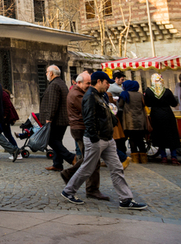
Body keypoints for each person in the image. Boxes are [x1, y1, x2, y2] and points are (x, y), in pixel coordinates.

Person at [61, 71, 147, 209]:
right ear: (100, 81)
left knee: (117, 167)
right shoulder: (89, 96)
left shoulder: (100, 96)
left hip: (107, 138)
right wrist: (94, 137)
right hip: (97, 139)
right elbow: (88, 119)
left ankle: (125, 199)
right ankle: (68, 191)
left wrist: (112, 120)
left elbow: (106, 113)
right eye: (107, 82)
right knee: (87, 168)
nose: (108, 85)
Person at [59, 72, 109, 201]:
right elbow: (89, 111)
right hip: (80, 128)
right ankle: (90, 188)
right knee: (92, 159)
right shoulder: (78, 94)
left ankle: (73, 176)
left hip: (81, 128)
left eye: (90, 83)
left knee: (91, 158)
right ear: (78, 83)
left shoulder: (81, 93)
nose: (89, 85)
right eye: (87, 83)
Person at [40, 65, 74, 172]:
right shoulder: (61, 83)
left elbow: (52, 103)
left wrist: (49, 118)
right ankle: (57, 164)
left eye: (46, 72)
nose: (46, 74)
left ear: (51, 73)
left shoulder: (54, 85)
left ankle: (71, 157)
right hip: (61, 119)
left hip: (56, 120)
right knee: (57, 141)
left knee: (52, 140)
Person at [144, 73, 180, 165]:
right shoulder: (167, 91)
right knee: (171, 135)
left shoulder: (148, 91)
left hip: (156, 115)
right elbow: (173, 103)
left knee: (160, 135)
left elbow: (147, 103)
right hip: (168, 114)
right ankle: (173, 157)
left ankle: (163, 156)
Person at [118, 80, 148, 163]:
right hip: (140, 119)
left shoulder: (125, 94)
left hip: (129, 119)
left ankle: (135, 157)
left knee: (132, 139)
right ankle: (143, 157)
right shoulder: (140, 94)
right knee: (140, 139)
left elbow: (120, 104)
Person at [0, 88, 20, 160]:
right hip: (3, 119)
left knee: (8, 135)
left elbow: (7, 106)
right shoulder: (1, 94)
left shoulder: (3, 94)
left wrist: (4, 116)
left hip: (5, 120)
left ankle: (18, 153)